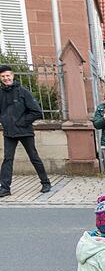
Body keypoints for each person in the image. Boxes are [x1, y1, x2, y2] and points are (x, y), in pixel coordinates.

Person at [0, 65, 51, 197]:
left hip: (25, 131)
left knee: (34, 157)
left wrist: (22, 122)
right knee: (7, 159)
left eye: (8, 75)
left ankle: (45, 183)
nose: (6, 78)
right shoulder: (0, 93)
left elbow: (36, 112)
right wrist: (4, 121)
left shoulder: (23, 92)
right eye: (3, 76)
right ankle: (5, 188)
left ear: (13, 76)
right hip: (9, 132)